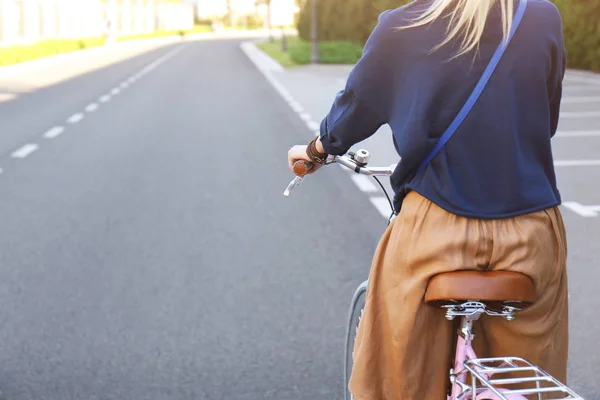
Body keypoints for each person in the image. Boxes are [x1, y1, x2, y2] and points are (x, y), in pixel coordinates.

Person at [287, 0, 568, 398]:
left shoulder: (402, 26)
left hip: (435, 229)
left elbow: (354, 110)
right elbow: (547, 118)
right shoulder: (541, 16)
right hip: (531, 229)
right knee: (525, 384)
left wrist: (314, 151)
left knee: (398, 377)